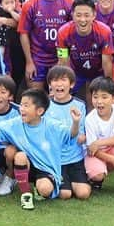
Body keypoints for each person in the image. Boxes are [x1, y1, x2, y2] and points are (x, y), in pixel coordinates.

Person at [0, 88, 81, 209]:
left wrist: (76, 122)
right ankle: (26, 194)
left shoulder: (52, 125)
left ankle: (39, 187)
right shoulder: (16, 123)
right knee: (19, 156)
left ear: (39, 111)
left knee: (45, 190)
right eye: (21, 105)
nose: (21, 109)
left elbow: (70, 135)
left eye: (26, 105)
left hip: (46, 168)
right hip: (27, 164)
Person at [18, 0, 73, 88]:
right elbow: (23, 33)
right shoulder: (30, 4)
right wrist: (29, 62)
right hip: (37, 59)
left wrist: (64, 60)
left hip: (60, 57)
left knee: (59, 96)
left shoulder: (69, 3)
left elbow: (71, 35)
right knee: (36, 98)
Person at [44, 66, 92, 201]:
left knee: (83, 194)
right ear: (49, 85)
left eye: (63, 80)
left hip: (75, 158)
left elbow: (80, 135)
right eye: (54, 80)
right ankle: (59, 183)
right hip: (56, 159)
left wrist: (81, 133)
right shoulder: (46, 105)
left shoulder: (80, 105)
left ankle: (79, 182)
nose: (59, 84)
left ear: (71, 84)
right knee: (65, 194)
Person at [57, 0, 114, 96]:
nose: (82, 20)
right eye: (78, 15)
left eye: (87, 15)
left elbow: (107, 62)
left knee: (105, 98)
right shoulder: (63, 32)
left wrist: (108, 87)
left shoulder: (105, 32)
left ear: (94, 15)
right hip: (75, 71)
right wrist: (63, 84)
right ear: (72, 15)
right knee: (62, 95)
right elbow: (63, 61)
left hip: (98, 72)